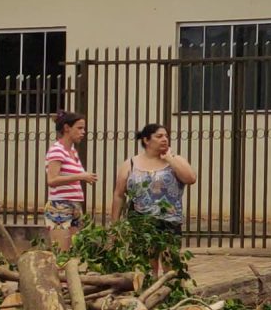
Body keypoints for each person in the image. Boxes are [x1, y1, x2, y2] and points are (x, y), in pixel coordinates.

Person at [113, 124, 195, 259]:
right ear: (146, 140)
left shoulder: (176, 160)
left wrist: (169, 159)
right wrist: (115, 225)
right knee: (145, 264)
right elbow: (119, 194)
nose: (164, 139)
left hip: (169, 220)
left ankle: (169, 281)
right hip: (140, 221)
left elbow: (190, 178)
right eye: (159, 136)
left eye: (166, 136)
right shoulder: (131, 163)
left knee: (170, 261)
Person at [42, 110, 97, 249]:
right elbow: (52, 180)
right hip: (59, 206)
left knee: (75, 253)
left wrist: (85, 177)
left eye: (83, 128)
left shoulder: (73, 151)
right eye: (79, 128)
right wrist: (81, 176)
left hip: (75, 205)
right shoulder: (57, 150)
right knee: (62, 255)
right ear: (67, 128)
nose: (83, 132)